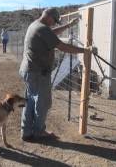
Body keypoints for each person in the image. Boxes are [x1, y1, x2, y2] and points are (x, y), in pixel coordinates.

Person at [19, 8, 90, 141]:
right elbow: (62, 46)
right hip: (38, 73)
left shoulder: (36, 25)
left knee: (29, 101)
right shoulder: (42, 29)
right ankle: (39, 131)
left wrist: (69, 25)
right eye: (54, 21)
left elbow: (51, 33)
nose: (54, 24)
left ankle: (26, 131)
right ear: (50, 17)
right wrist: (85, 51)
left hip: (29, 70)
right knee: (42, 103)